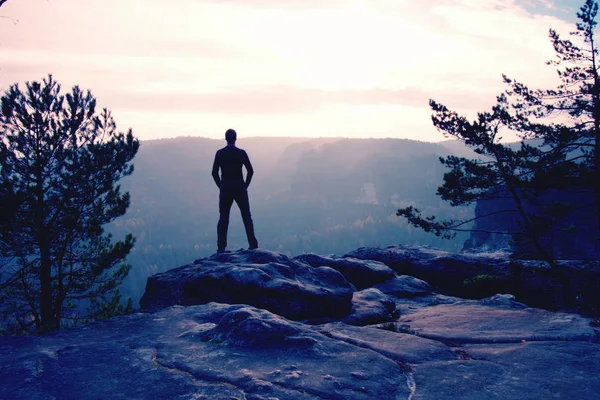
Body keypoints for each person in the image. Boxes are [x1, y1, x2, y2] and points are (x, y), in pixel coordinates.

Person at [211, 129, 259, 253]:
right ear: (235, 138)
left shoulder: (220, 153)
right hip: (239, 187)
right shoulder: (241, 153)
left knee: (223, 218)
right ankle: (253, 244)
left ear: (225, 138)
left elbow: (214, 173)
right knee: (246, 216)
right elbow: (250, 171)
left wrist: (220, 186)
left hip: (225, 188)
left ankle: (221, 248)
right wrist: (245, 186)